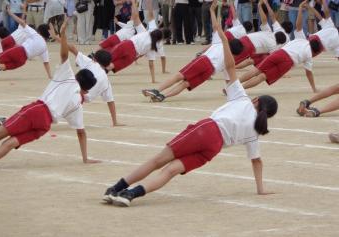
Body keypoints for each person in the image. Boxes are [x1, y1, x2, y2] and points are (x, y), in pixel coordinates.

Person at [103, 1, 278, 207]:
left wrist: (223, 39)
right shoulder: (256, 130)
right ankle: (130, 194)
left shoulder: (242, 98)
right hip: (214, 148)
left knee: (158, 160)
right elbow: (256, 162)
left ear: (256, 100)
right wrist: (261, 189)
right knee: (170, 171)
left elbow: (230, 66)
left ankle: (115, 188)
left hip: (208, 129)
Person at [0, 20, 99, 169]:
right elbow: (81, 133)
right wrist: (85, 158)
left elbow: (64, 55)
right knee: (10, 143)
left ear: (77, 75)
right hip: (44, 125)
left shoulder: (68, 77)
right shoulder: (78, 104)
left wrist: (62, 35)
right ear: (87, 90)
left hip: (37, 111)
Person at [141, 1, 231, 102]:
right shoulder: (230, 60)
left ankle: (157, 90)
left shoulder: (221, 42)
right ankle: (164, 96)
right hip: (209, 72)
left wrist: (212, 10)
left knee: (179, 76)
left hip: (205, 61)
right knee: (185, 84)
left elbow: (216, 26)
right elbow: (228, 79)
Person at [238, 1, 321, 92]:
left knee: (256, 69)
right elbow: (309, 73)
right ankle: (240, 89)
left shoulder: (296, 37)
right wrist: (314, 88)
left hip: (278, 53)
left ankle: (234, 84)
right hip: (285, 59)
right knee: (262, 76)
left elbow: (274, 17)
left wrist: (265, 4)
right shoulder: (305, 52)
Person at [106, 0, 171, 83]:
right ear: (164, 39)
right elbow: (151, 64)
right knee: (112, 65)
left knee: (108, 58)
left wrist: (144, 3)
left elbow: (146, 15)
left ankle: (96, 66)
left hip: (127, 44)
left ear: (161, 29)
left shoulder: (150, 30)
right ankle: (104, 70)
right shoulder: (155, 45)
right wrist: (153, 80)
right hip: (132, 55)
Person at [0, 8, 51, 81]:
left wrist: (10, 13)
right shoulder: (45, 48)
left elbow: (22, 22)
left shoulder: (35, 35)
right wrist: (50, 76)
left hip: (18, 50)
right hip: (22, 60)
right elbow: (46, 63)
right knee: (1, 66)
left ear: (39, 31)